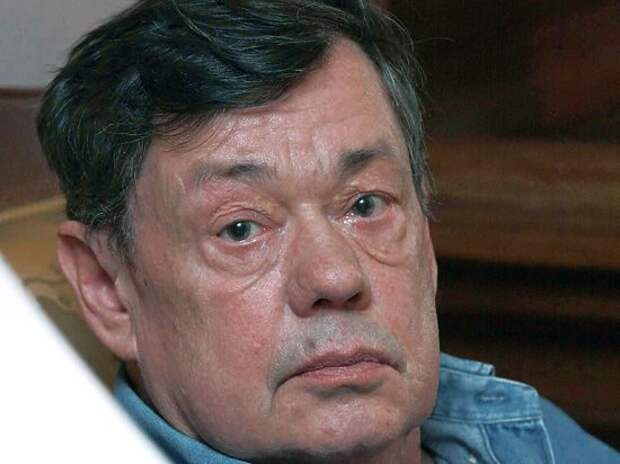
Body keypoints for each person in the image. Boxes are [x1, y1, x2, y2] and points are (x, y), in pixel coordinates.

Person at [37, 1, 619, 463]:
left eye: (366, 204)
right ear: (108, 290)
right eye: (240, 229)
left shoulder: (519, 433)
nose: (336, 276)